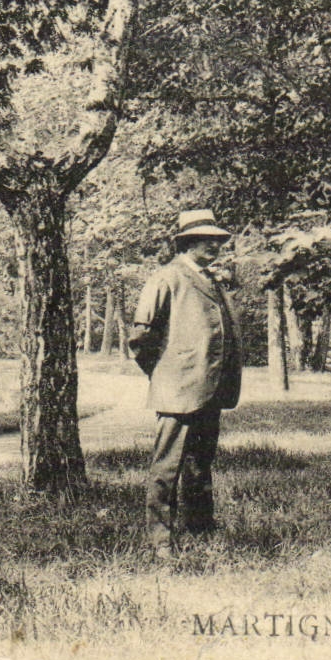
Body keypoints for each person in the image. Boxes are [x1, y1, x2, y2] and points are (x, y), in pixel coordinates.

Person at [128, 208, 244, 556]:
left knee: (200, 464)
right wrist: (166, 373)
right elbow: (141, 337)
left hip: (210, 389)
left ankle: (200, 531)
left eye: (217, 240)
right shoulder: (167, 278)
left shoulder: (211, 281)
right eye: (206, 240)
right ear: (187, 242)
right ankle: (160, 540)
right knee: (167, 467)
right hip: (177, 391)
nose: (214, 246)